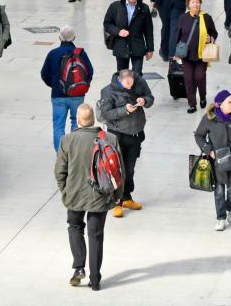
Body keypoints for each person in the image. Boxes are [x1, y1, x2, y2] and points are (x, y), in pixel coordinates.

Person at [54, 103, 120, 292]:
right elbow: (119, 170)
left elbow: (60, 171)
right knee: (96, 236)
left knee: (75, 227)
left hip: (74, 195)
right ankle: (95, 280)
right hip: (101, 195)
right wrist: (117, 196)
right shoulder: (110, 139)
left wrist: (65, 191)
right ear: (93, 119)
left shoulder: (67, 141)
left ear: (77, 119)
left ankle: (79, 267)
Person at [96, 69, 152, 218]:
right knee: (117, 169)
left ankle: (127, 197)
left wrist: (144, 101)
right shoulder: (108, 91)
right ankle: (116, 202)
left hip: (135, 134)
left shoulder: (139, 83)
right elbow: (107, 113)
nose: (130, 87)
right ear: (120, 80)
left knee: (130, 168)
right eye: (127, 85)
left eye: (131, 84)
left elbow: (150, 97)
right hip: (118, 135)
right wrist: (124, 110)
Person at [193, 90, 231, 231]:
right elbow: (199, 136)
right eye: (229, 102)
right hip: (217, 163)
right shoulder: (209, 119)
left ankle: (230, 209)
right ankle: (220, 218)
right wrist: (209, 151)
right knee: (219, 192)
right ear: (219, 105)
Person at [41, 25, 94, 151]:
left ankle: (61, 156)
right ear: (74, 38)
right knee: (76, 123)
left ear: (59, 37)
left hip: (58, 95)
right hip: (77, 94)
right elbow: (90, 72)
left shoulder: (53, 53)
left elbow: (44, 74)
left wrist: (54, 85)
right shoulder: (81, 53)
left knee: (58, 126)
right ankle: (74, 153)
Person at [175, 0, 218, 113]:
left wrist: (211, 38)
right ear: (188, 4)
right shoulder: (183, 18)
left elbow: (214, 32)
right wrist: (176, 54)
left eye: (198, 2)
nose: (196, 4)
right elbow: (177, 36)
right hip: (187, 56)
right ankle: (192, 104)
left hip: (202, 55)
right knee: (188, 79)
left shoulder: (206, 17)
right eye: (193, 2)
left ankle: (203, 96)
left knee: (199, 77)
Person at [103, 0, 154, 75]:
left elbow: (148, 30)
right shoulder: (115, 6)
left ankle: (136, 90)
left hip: (138, 46)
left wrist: (150, 49)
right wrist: (118, 31)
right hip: (121, 46)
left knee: (137, 75)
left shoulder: (144, 9)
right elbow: (107, 23)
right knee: (122, 75)